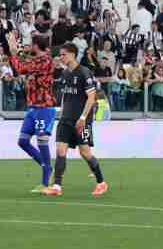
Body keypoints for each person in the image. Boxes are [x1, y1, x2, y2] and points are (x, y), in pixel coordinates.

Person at [42, 43, 108, 197]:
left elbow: (91, 97)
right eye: (60, 55)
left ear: (73, 54)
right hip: (66, 119)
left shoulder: (85, 73)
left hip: (82, 120)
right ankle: (57, 186)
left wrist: (83, 118)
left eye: (63, 54)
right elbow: (65, 98)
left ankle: (101, 182)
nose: (61, 57)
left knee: (85, 152)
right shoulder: (65, 74)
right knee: (60, 150)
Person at [7, 32, 55, 193]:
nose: (29, 47)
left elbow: (22, 68)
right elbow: (25, 64)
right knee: (23, 141)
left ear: (36, 45)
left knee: (42, 140)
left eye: (31, 44)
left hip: (44, 107)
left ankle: (45, 181)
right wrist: (16, 50)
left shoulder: (46, 60)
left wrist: (14, 52)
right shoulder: (37, 59)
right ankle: (47, 167)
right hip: (33, 107)